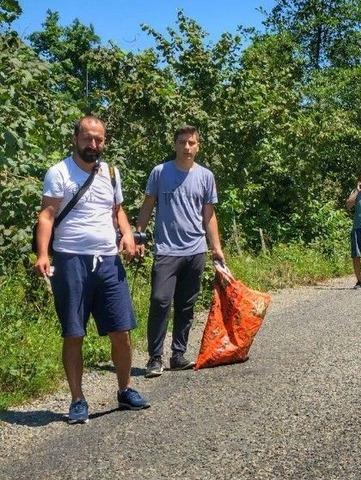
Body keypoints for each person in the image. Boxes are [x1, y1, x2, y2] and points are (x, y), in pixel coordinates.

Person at [33, 115, 150, 424]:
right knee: (74, 333)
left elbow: (117, 211)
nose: (93, 144)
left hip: (109, 261)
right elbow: (47, 215)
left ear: (104, 142)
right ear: (76, 138)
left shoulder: (112, 173)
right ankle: (77, 400)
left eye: (98, 139)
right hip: (71, 260)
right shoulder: (59, 172)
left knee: (121, 330)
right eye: (87, 138)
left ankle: (125, 390)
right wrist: (43, 253)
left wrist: (126, 234)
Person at [136, 125, 224, 378]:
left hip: (195, 250)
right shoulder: (160, 172)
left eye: (192, 143)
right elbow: (147, 205)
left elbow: (209, 214)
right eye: (182, 142)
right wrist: (139, 236)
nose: (187, 147)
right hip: (166, 250)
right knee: (160, 301)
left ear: (198, 146)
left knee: (186, 305)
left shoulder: (206, 176)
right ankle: (154, 357)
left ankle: (178, 354)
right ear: (174, 144)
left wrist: (215, 248)